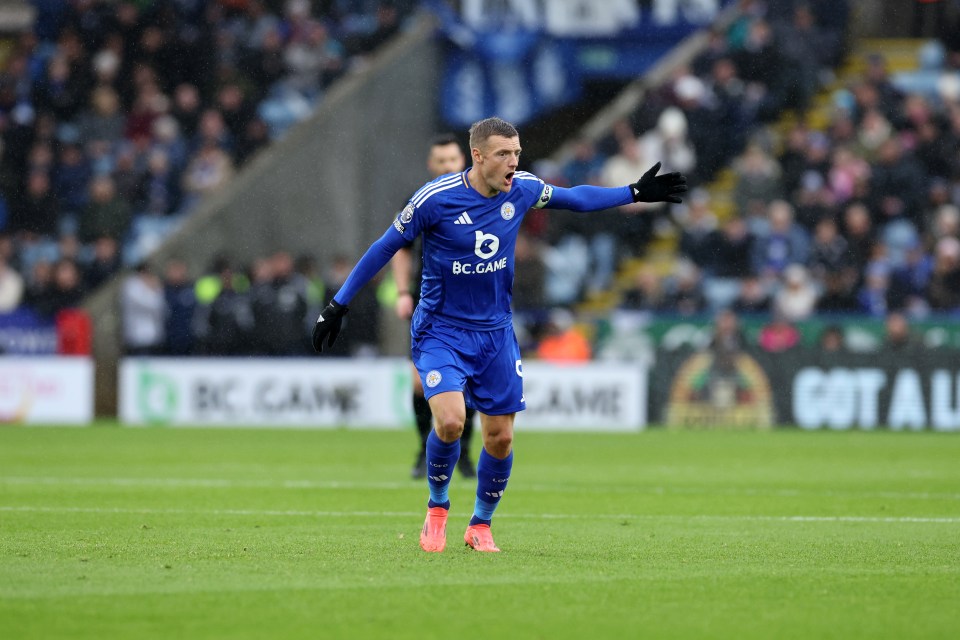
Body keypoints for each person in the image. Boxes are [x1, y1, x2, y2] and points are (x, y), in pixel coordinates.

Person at [312, 117, 686, 553]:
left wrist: (633, 193)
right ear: (478, 156)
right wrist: (338, 304)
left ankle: (481, 525)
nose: (514, 163)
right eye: (504, 155)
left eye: (517, 153)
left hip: (494, 333)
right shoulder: (435, 199)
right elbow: (384, 247)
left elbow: (576, 199)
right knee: (451, 421)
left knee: (501, 437)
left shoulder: (523, 188)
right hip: (440, 330)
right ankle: (437, 508)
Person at [392, 134, 477, 480]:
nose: (446, 166)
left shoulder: (481, 198)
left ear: (464, 162)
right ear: (431, 165)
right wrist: (401, 291)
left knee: (467, 386)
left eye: (451, 161)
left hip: (472, 306)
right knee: (418, 384)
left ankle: (465, 454)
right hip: (428, 306)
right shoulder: (422, 201)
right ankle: (423, 449)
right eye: (439, 161)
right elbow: (401, 247)